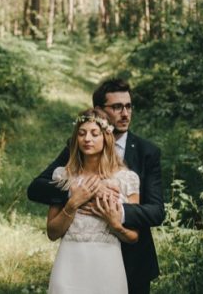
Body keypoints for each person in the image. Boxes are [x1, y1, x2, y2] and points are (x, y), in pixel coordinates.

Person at [28, 79, 164, 294]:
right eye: (117, 107)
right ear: (99, 110)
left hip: (132, 258)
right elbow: (36, 188)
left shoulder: (148, 152)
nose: (125, 113)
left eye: (128, 106)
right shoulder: (80, 144)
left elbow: (157, 212)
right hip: (76, 259)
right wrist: (79, 192)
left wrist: (114, 212)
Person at [46, 108, 140, 293]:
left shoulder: (126, 179)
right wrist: (73, 203)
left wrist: (114, 223)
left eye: (94, 134)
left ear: (106, 137)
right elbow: (52, 232)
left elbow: (134, 236)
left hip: (107, 265)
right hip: (69, 263)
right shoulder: (62, 176)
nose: (87, 139)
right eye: (82, 133)